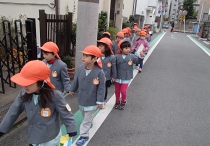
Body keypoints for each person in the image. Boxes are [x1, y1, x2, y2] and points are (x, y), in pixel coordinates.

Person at [0, 60, 77, 146]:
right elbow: (13, 111)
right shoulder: (23, 93)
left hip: (50, 138)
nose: (25, 86)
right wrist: (2, 129)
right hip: (34, 136)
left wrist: (71, 130)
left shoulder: (55, 95)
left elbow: (66, 113)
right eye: (23, 83)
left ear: (40, 83)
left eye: (28, 83)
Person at [69, 45, 105, 146]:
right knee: (83, 114)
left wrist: (100, 101)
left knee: (85, 120)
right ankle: (89, 121)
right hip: (82, 99)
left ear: (94, 59)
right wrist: (72, 90)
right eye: (83, 55)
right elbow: (76, 81)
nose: (83, 57)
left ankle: (84, 136)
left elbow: (101, 88)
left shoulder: (99, 72)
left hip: (92, 100)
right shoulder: (80, 68)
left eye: (86, 56)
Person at [115, 41, 143, 110]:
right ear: (121, 49)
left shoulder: (132, 56)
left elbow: (137, 61)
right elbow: (113, 66)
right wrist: (112, 76)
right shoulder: (116, 57)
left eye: (129, 48)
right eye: (125, 48)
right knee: (117, 91)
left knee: (123, 91)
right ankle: (117, 101)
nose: (128, 49)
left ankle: (124, 101)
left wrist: (140, 56)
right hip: (117, 77)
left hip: (126, 77)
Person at [97, 37, 117, 107]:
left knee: (104, 89)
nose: (99, 47)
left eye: (101, 46)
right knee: (96, 88)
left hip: (106, 77)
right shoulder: (96, 56)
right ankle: (97, 99)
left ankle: (104, 99)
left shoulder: (112, 57)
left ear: (107, 48)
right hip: (97, 76)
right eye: (99, 45)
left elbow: (113, 67)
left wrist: (113, 76)